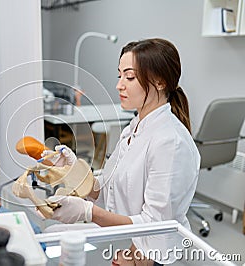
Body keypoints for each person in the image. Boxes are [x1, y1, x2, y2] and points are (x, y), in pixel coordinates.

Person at [45, 38, 200, 265]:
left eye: (129, 77)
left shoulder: (170, 142)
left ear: (159, 81)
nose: (119, 85)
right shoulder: (134, 127)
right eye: (119, 75)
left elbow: (156, 224)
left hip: (156, 254)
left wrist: (89, 213)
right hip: (132, 242)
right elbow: (108, 188)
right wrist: (74, 172)